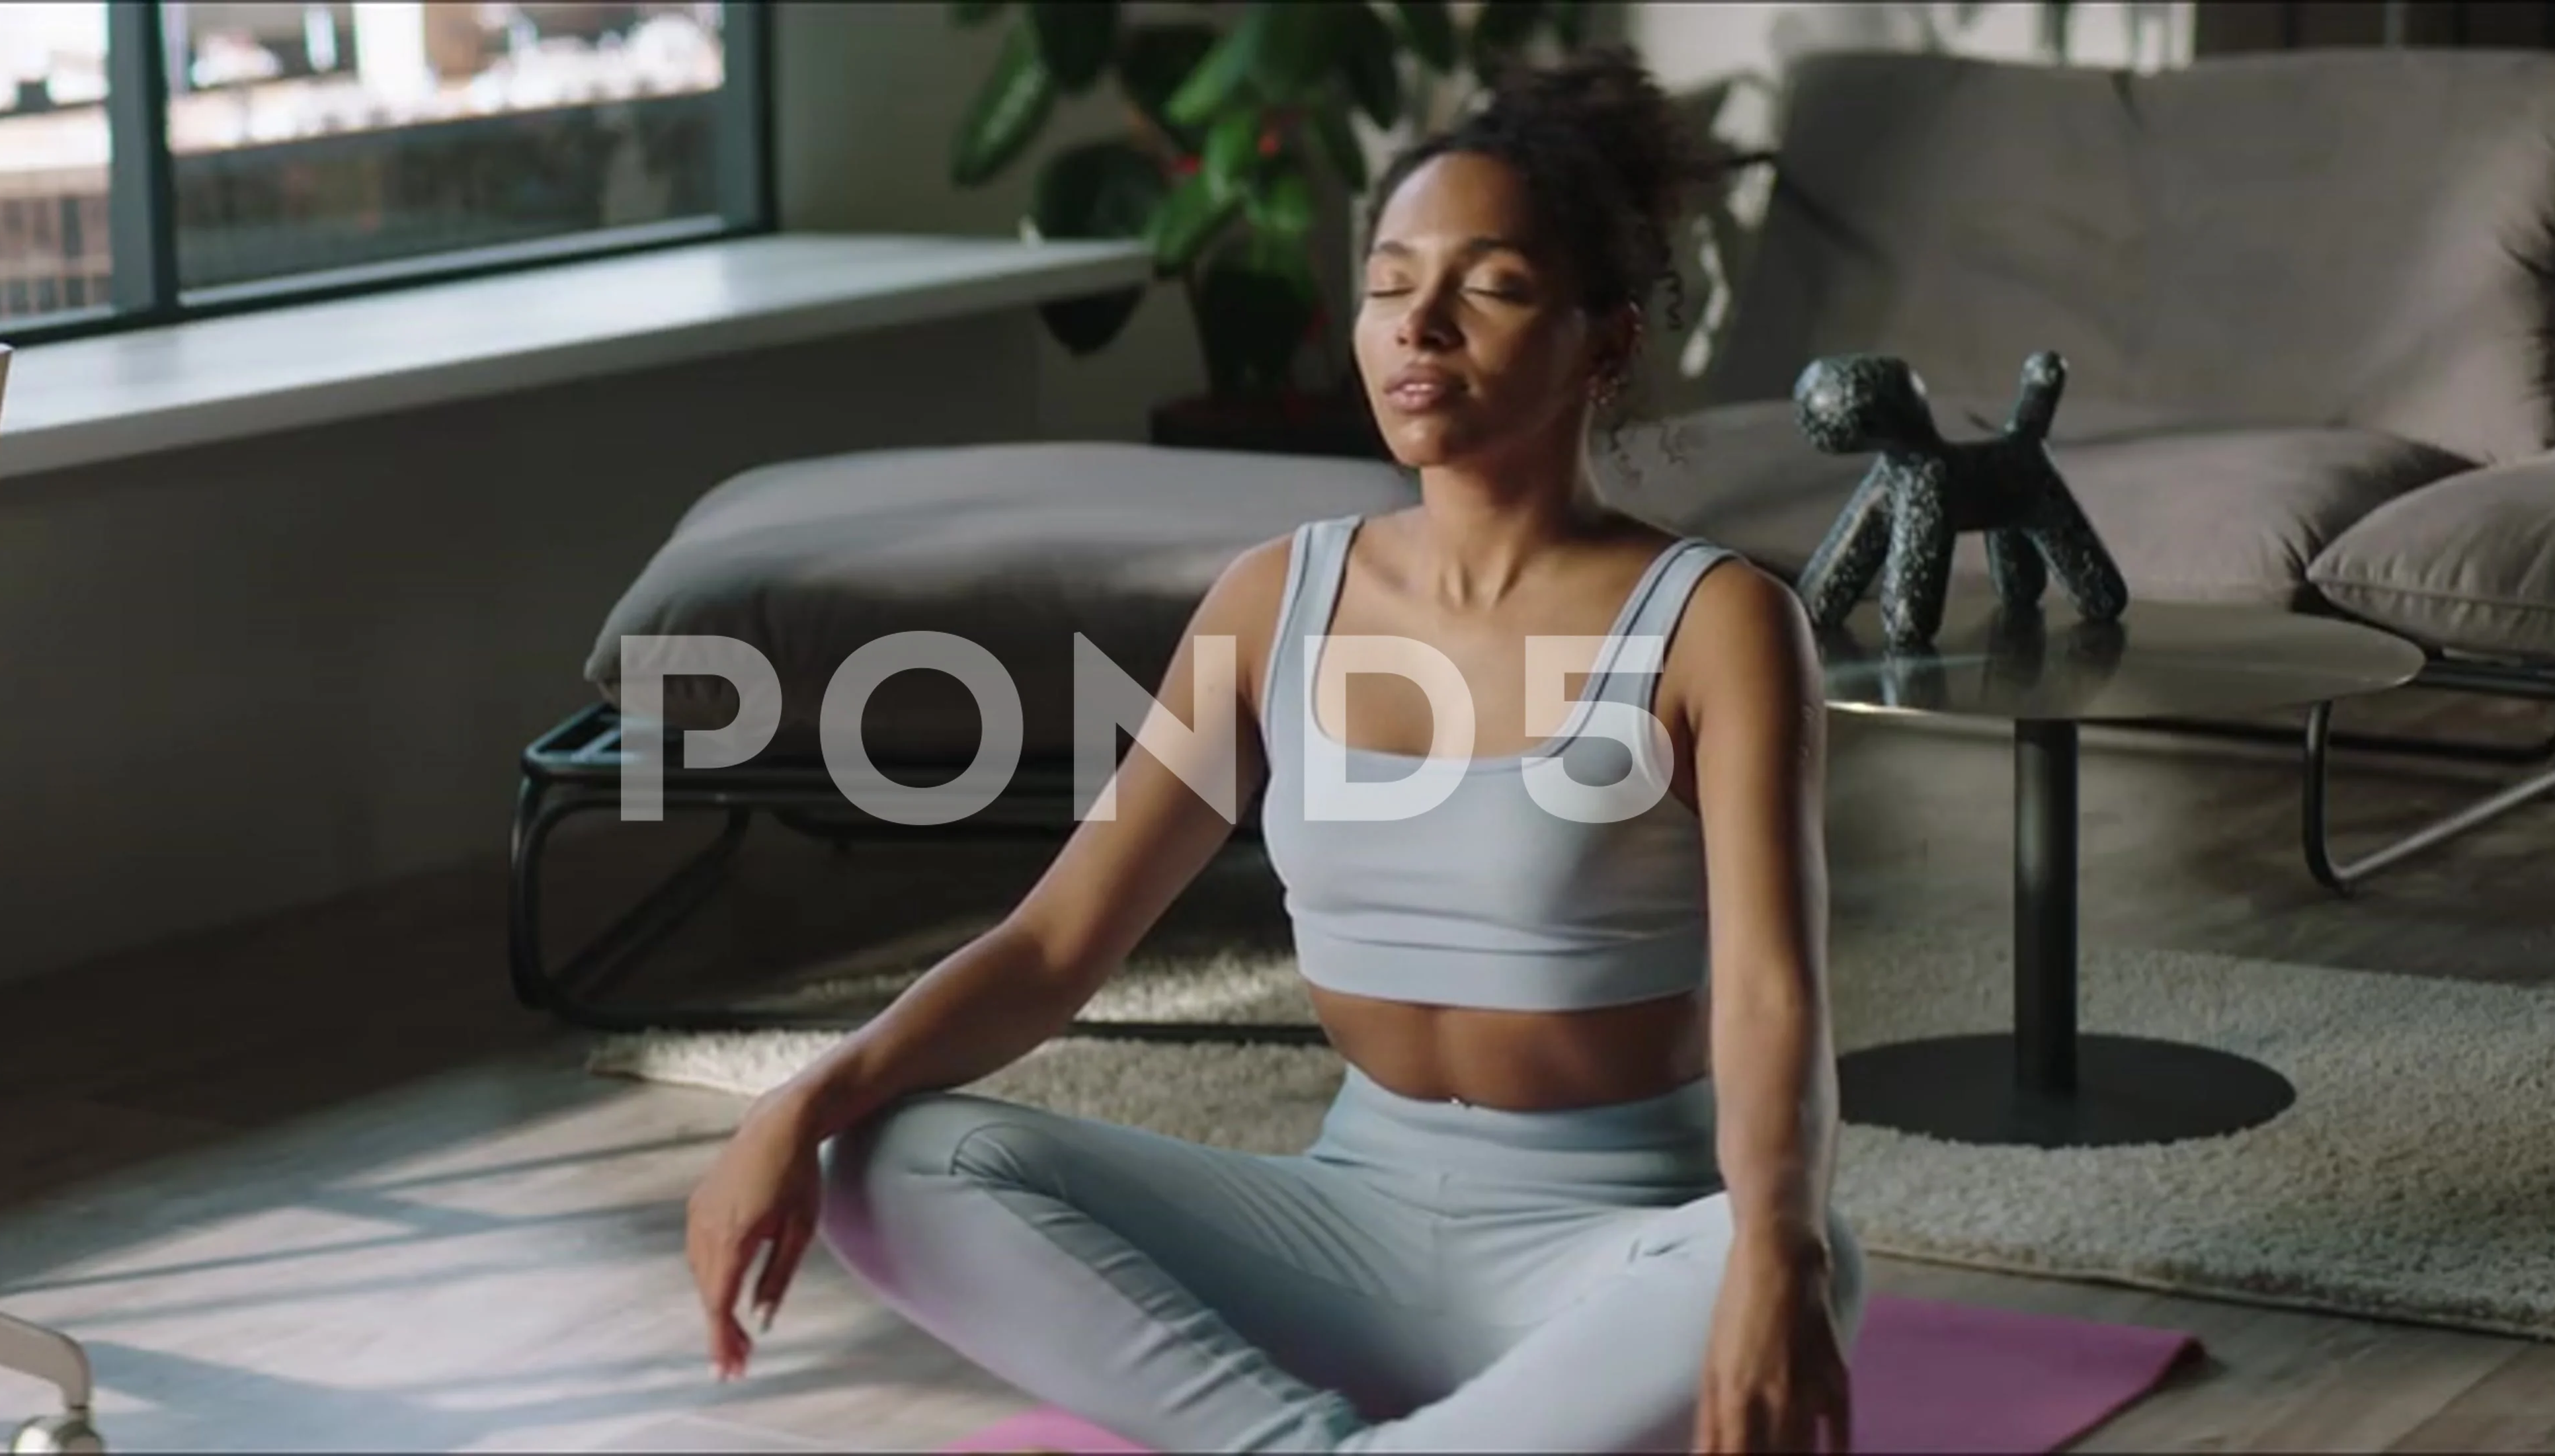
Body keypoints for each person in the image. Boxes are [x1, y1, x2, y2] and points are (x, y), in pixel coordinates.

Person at [681, 46, 1863, 1455]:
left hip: (1613, 1256)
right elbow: (1056, 947)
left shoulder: (1716, 623)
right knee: (893, 1152)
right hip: (1341, 1230)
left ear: (1604, 342)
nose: (1418, 326)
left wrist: (1775, 1243)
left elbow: (1769, 1000)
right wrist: (796, 1103)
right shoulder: (1272, 601)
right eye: (1387, 283)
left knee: (1804, 1255)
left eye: (1487, 286)